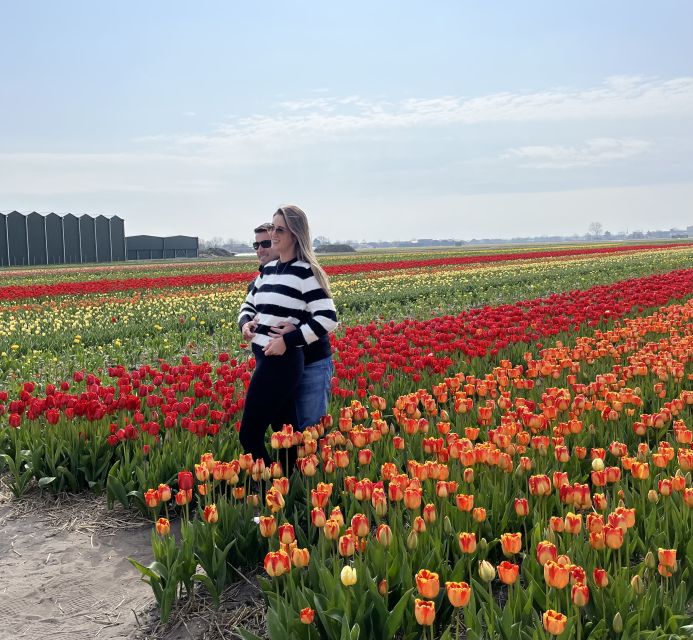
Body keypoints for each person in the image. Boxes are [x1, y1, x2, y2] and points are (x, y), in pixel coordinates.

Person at [238, 205, 338, 471]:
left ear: (295, 234)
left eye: (279, 229)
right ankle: (290, 489)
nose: (273, 233)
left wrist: (290, 340)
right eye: (272, 227)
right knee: (288, 435)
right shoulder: (268, 271)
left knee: (254, 435)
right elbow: (249, 305)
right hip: (265, 359)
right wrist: (245, 324)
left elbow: (328, 317)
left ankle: (273, 489)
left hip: (285, 361)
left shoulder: (304, 272)